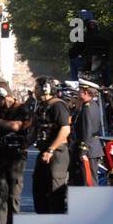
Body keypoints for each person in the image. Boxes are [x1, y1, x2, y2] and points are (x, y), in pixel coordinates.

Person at [0, 79, 33, 224]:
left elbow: (16, 126)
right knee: (0, 191)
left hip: (16, 155)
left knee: (13, 193)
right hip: (0, 154)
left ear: (4, 94)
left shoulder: (21, 109)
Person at [32, 77, 72, 214]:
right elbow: (35, 130)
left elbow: (65, 129)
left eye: (37, 87)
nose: (34, 90)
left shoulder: (58, 105)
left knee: (55, 191)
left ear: (45, 88)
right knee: (39, 189)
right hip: (44, 151)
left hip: (56, 153)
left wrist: (51, 149)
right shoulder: (41, 106)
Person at [70, 79, 106, 186]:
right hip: (92, 147)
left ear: (85, 92)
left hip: (88, 149)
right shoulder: (92, 105)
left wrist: (83, 151)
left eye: (80, 90)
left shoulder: (87, 108)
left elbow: (86, 130)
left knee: (88, 181)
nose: (78, 92)